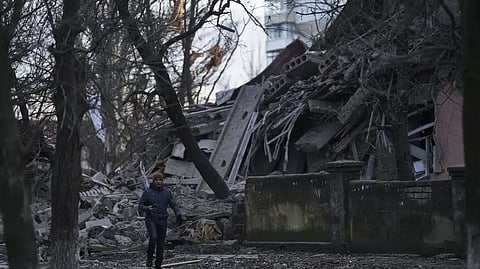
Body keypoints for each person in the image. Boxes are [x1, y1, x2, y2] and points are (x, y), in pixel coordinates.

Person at [139, 173, 183, 268]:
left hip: (163, 220)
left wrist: (178, 214)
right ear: (153, 181)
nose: (158, 182)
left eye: (160, 180)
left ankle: (158, 264)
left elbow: (173, 204)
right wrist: (148, 208)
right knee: (154, 237)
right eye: (156, 180)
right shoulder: (148, 192)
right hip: (151, 219)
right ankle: (149, 258)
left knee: (161, 243)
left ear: (162, 181)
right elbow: (140, 206)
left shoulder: (167, 192)